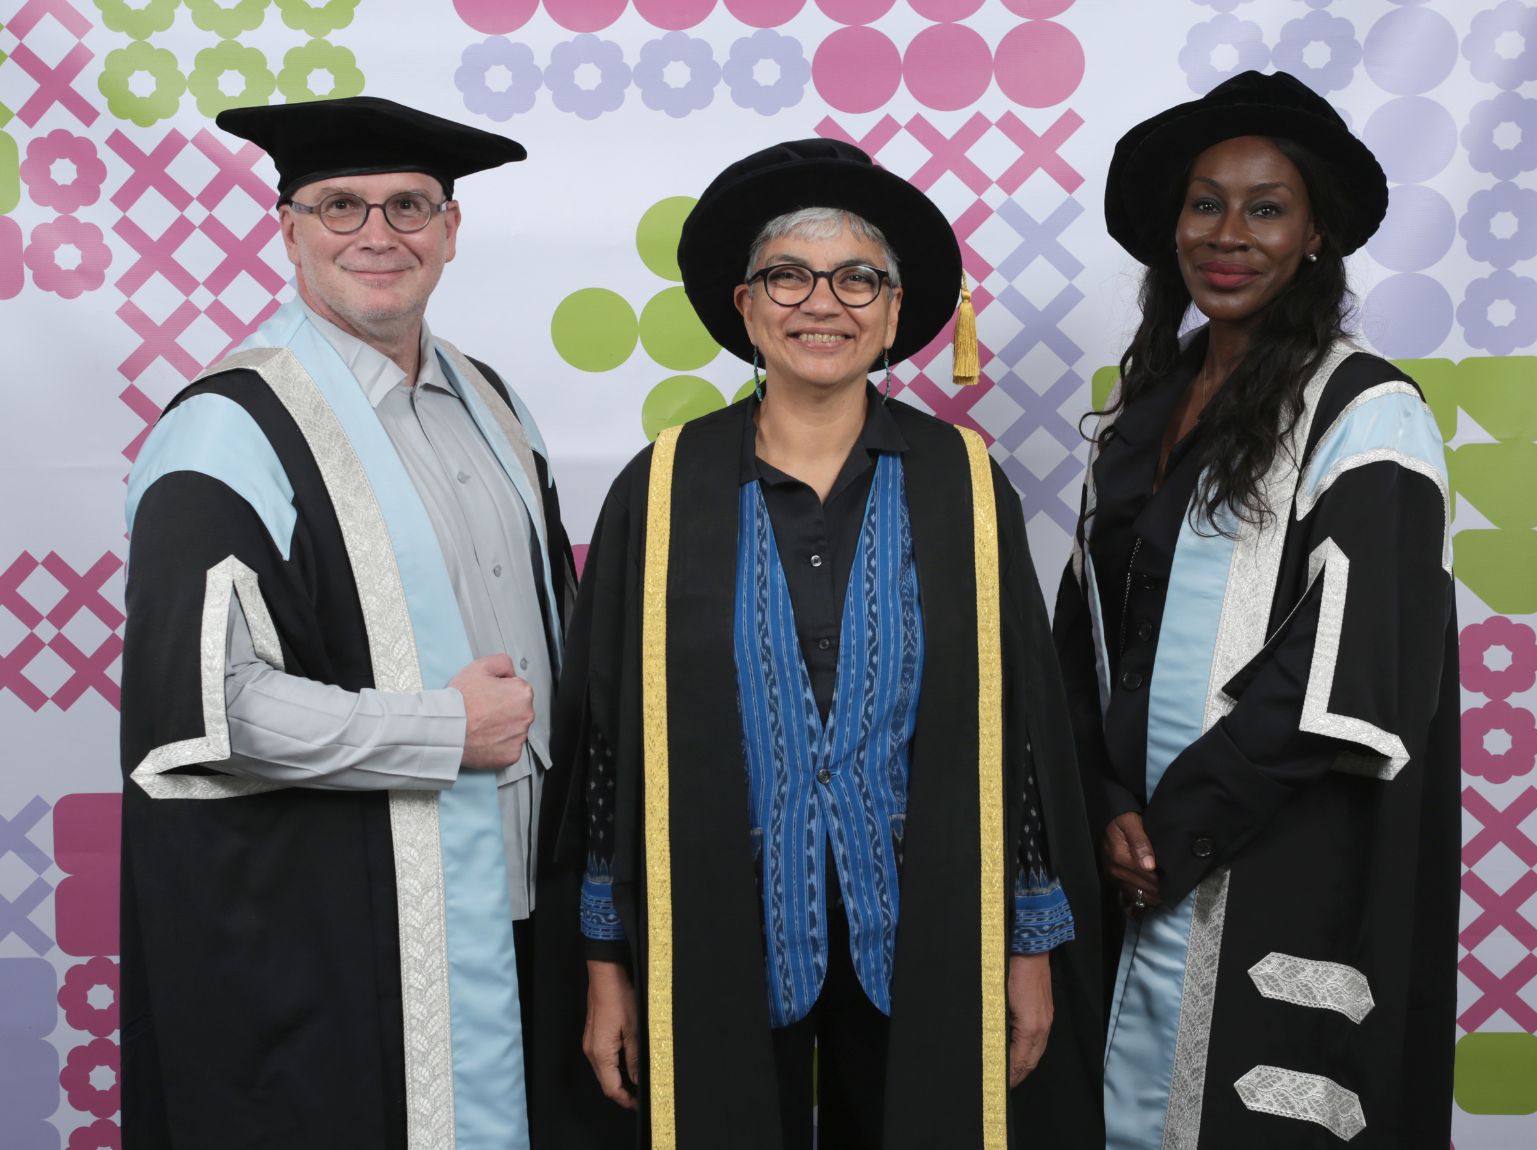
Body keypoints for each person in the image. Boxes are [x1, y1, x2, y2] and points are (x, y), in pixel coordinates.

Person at [533, 139, 1103, 1149]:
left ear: (893, 310)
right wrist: (607, 964)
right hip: (714, 918)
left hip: (926, 921)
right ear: (746, 306)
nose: (822, 304)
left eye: (857, 279)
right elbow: (611, 745)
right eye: (788, 276)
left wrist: (1029, 944)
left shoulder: (962, 484)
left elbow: (1016, 734)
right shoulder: (661, 490)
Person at [120, 96, 580, 1146]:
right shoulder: (227, 430)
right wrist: (443, 731)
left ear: (450, 229)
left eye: (409, 205)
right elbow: (201, 709)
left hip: (524, 919)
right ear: (289, 231)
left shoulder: (497, 405)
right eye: (340, 207)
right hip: (349, 939)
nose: (378, 233)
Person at [1053, 70, 1461, 1148]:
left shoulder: (1365, 413)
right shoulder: (1143, 414)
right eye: (1205, 204)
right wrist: (1104, 802)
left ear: (1316, 235)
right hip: (1128, 859)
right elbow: (1084, 643)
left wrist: (1172, 827)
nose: (1228, 234)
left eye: (1266, 208)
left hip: (1282, 854)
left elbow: (1353, 665)